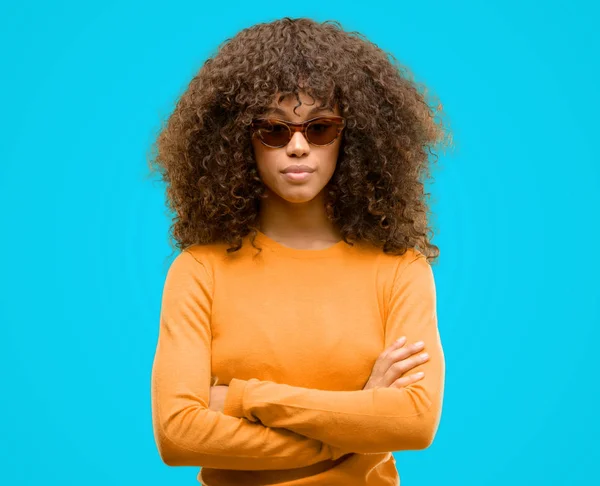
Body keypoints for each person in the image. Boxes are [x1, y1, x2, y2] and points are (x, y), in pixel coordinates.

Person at [149, 16, 451, 486]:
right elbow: (179, 437)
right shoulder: (198, 271)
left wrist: (242, 399)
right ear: (237, 139)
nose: (296, 146)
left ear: (351, 138)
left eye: (320, 128)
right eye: (273, 129)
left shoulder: (399, 270)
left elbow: (412, 423)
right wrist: (357, 423)